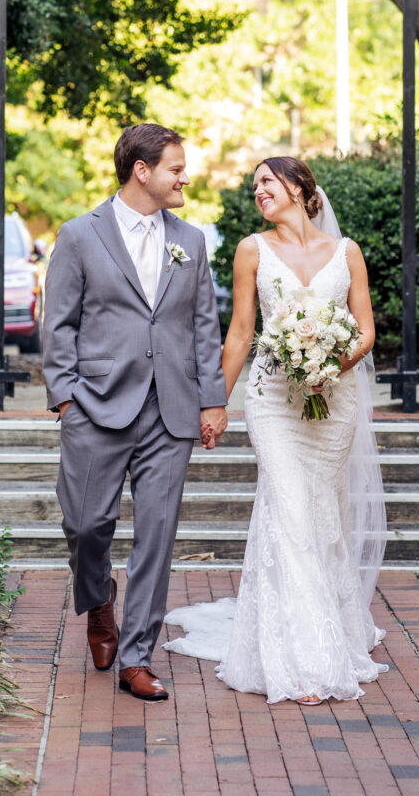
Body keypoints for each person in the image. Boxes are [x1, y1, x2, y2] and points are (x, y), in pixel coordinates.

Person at [164, 156, 387, 705]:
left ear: (299, 187)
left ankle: (335, 629)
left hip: (334, 401)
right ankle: (306, 661)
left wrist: (329, 365)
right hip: (271, 400)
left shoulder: (347, 252)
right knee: (288, 507)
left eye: (267, 181)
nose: (258, 190)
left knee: (321, 511)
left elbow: (365, 331)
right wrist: (211, 403)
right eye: (255, 184)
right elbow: (241, 334)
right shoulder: (250, 250)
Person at [43, 123, 228, 702]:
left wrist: (213, 398)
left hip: (169, 411)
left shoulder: (191, 240)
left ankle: (136, 657)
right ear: (142, 170)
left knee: (157, 536)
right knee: (85, 525)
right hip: (96, 405)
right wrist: (67, 397)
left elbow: (203, 325)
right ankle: (99, 603)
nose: (185, 177)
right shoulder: (79, 235)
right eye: (176, 167)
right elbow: (59, 324)